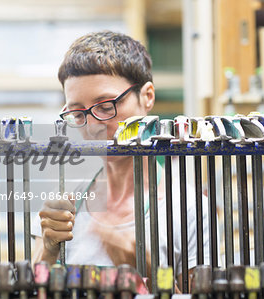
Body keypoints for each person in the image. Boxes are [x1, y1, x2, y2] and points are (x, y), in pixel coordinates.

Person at [32, 30, 210, 292]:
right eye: (77, 113)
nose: (92, 126)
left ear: (147, 96)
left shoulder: (189, 209)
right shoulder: (65, 199)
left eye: (105, 107)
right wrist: (48, 250)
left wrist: (151, 276)